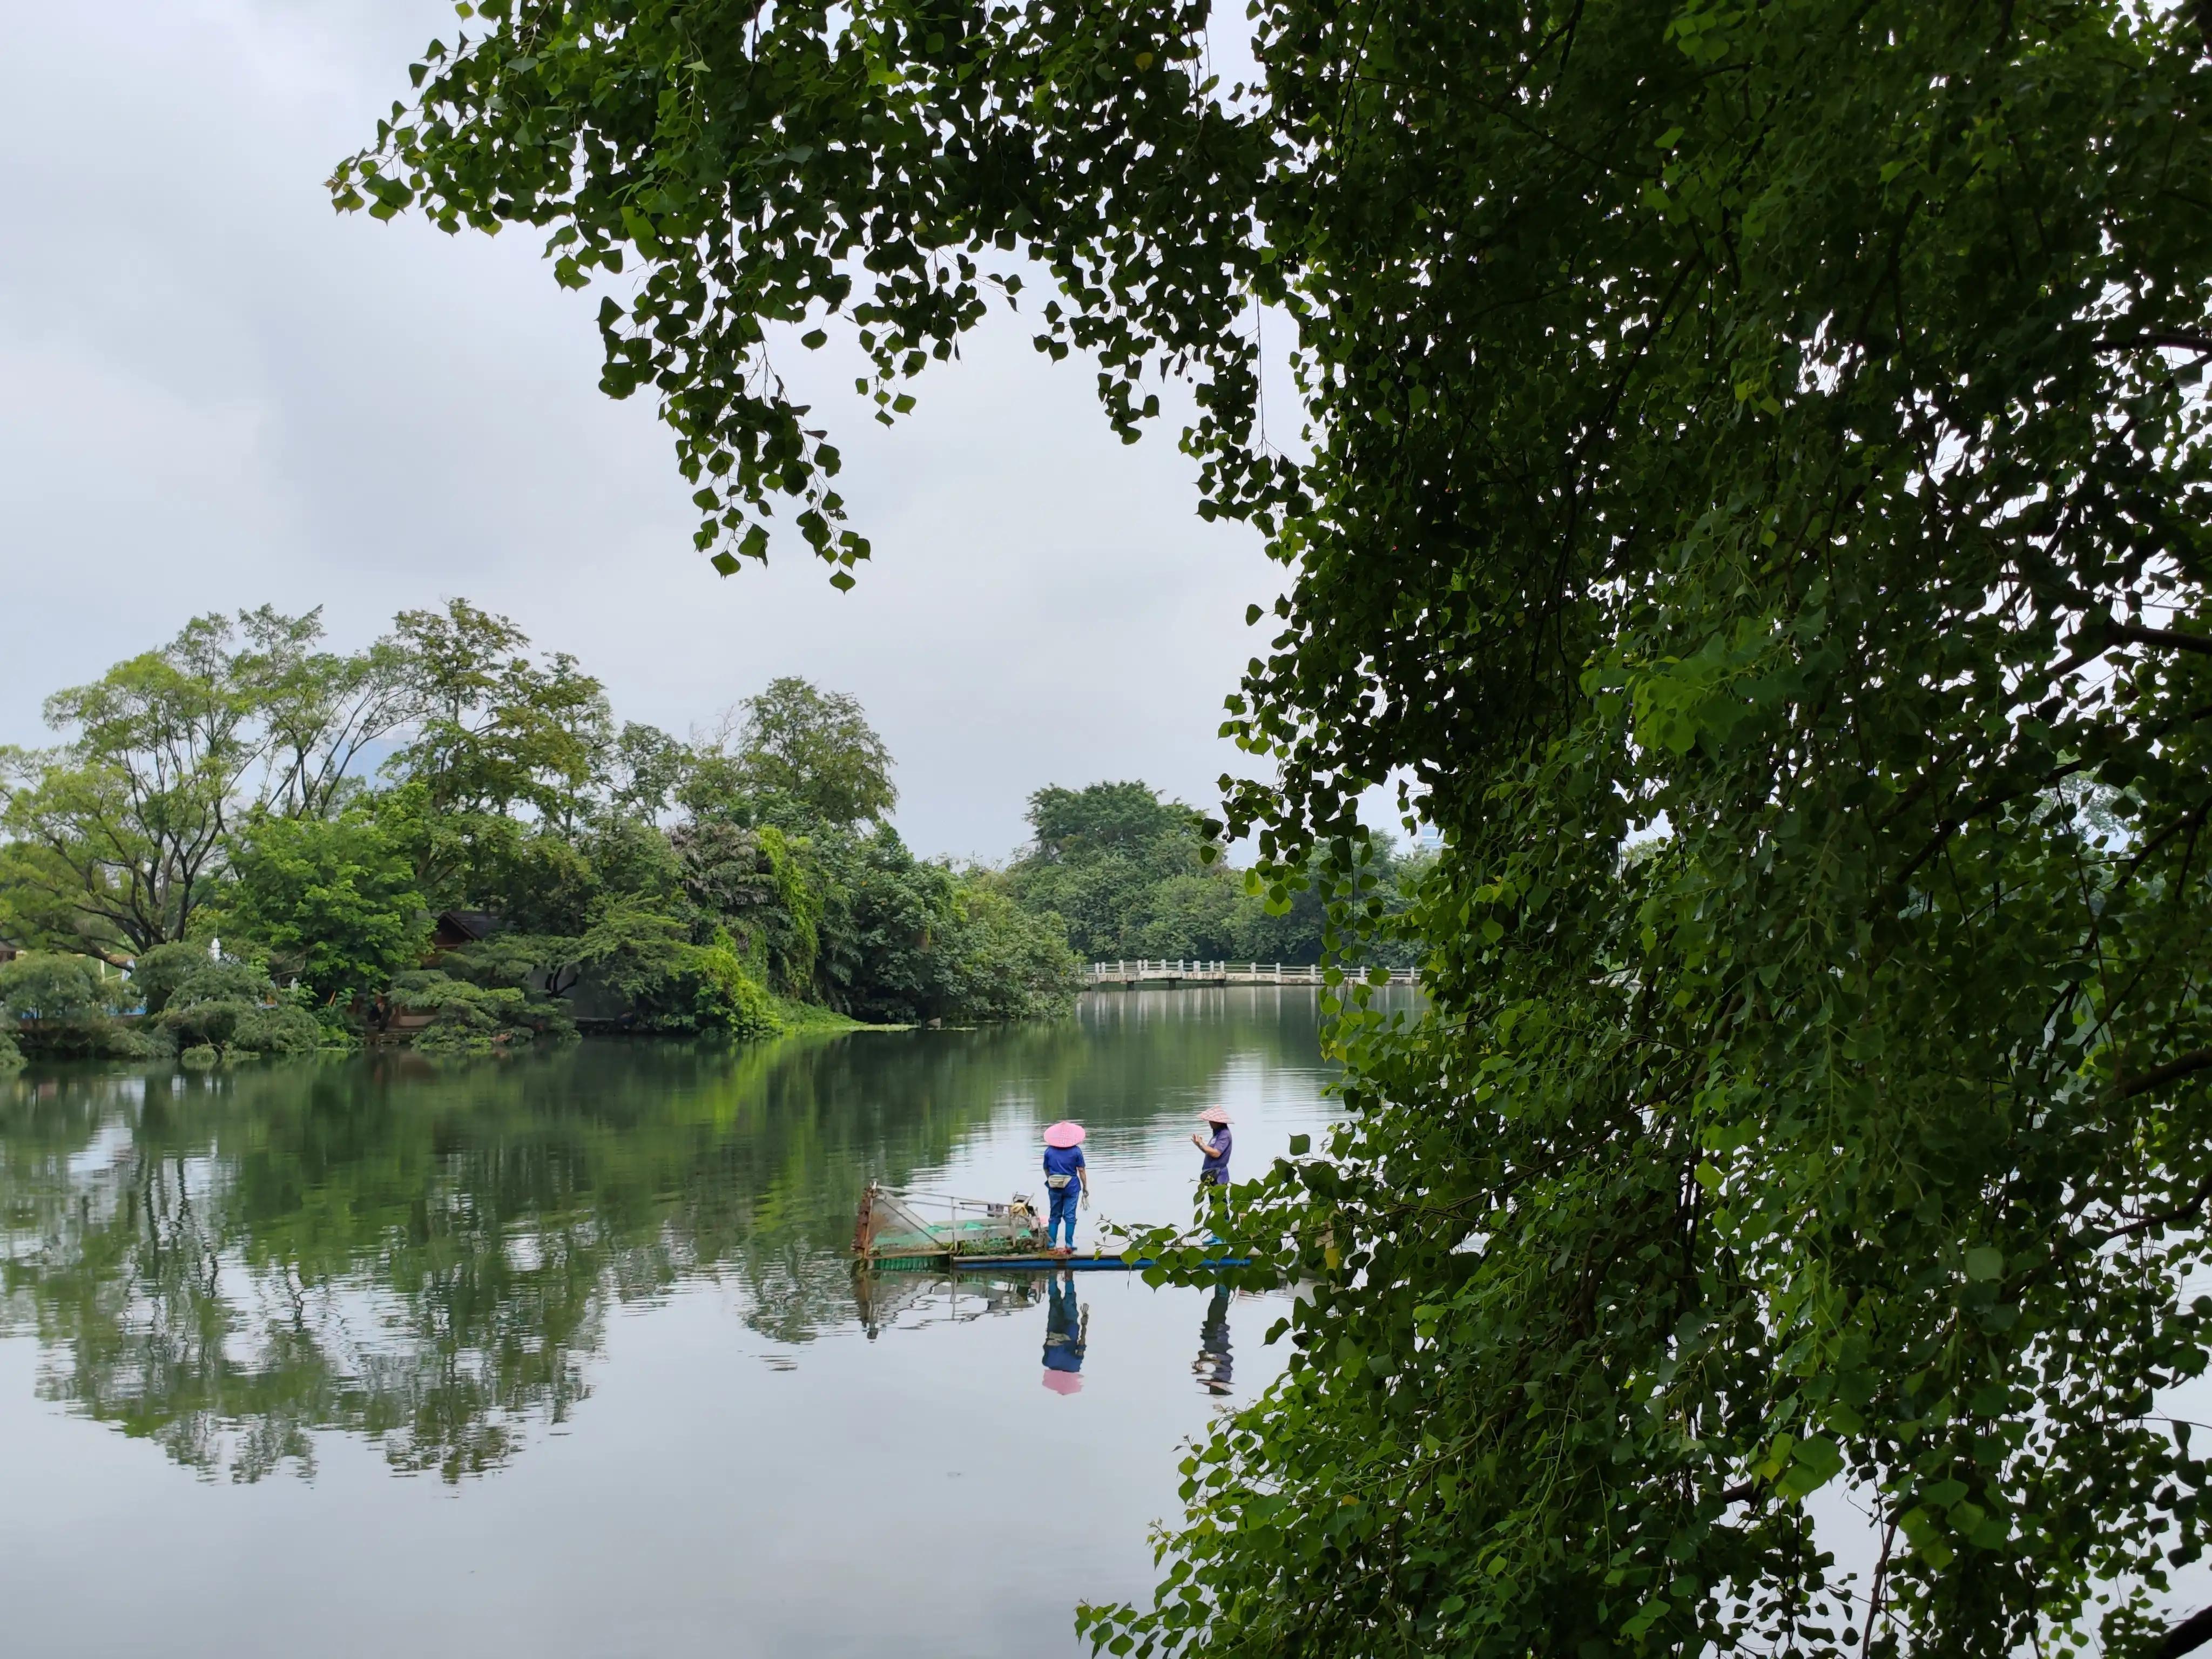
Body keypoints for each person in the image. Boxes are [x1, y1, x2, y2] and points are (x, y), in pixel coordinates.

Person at [1041, 1120, 1089, 1253]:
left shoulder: (1049, 1151)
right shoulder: (1076, 1151)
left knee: (1054, 1216)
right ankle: (1069, 1244)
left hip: (1054, 1187)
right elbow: (1082, 1171)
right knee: (1070, 1216)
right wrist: (1085, 1187)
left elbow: (1046, 1169)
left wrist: (1052, 1180)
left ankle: (1051, 1245)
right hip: (1072, 1187)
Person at [1041, 1270, 1088, 1394]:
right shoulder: (1047, 1363)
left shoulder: (1074, 1366)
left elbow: (1081, 1344)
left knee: (1069, 1300)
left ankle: (1068, 1278)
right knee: (1054, 1300)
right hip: (1054, 1329)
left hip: (1070, 1328)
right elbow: (1046, 1345)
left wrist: (1084, 1323)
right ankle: (1052, 1274)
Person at [1191, 1107, 1232, 1190]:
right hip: (1212, 1176)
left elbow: (1216, 1153)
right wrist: (1200, 1145)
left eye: (1212, 1121)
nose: (1209, 1122)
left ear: (1219, 1122)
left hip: (1219, 1176)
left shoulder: (1224, 1135)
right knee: (1214, 1202)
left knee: (1219, 1202)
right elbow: (1210, 1152)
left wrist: (1202, 1145)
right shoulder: (1217, 1135)